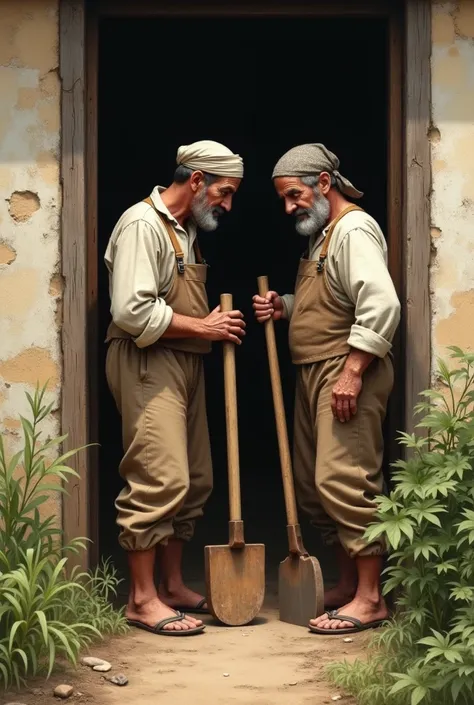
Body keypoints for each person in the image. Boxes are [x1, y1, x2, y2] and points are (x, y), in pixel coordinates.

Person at [253, 143, 400, 635]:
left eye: (294, 194)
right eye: (284, 199)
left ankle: (371, 597)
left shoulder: (354, 229)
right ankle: (344, 585)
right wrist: (288, 307)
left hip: (344, 370)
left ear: (322, 183)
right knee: (316, 487)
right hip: (315, 370)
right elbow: (335, 297)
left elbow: (380, 304)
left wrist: (354, 371)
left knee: (345, 478)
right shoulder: (323, 237)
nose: (290, 206)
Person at [104, 140, 245, 636]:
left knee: (195, 480)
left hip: (182, 361)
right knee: (158, 476)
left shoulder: (183, 231)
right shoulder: (144, 224)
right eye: (224, 192)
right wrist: (204, 328)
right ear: (197, 180)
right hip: (147, 360)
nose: (227, 205)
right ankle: (142, 599)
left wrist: (202, 334)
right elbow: (132, 311)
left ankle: (171, 585)